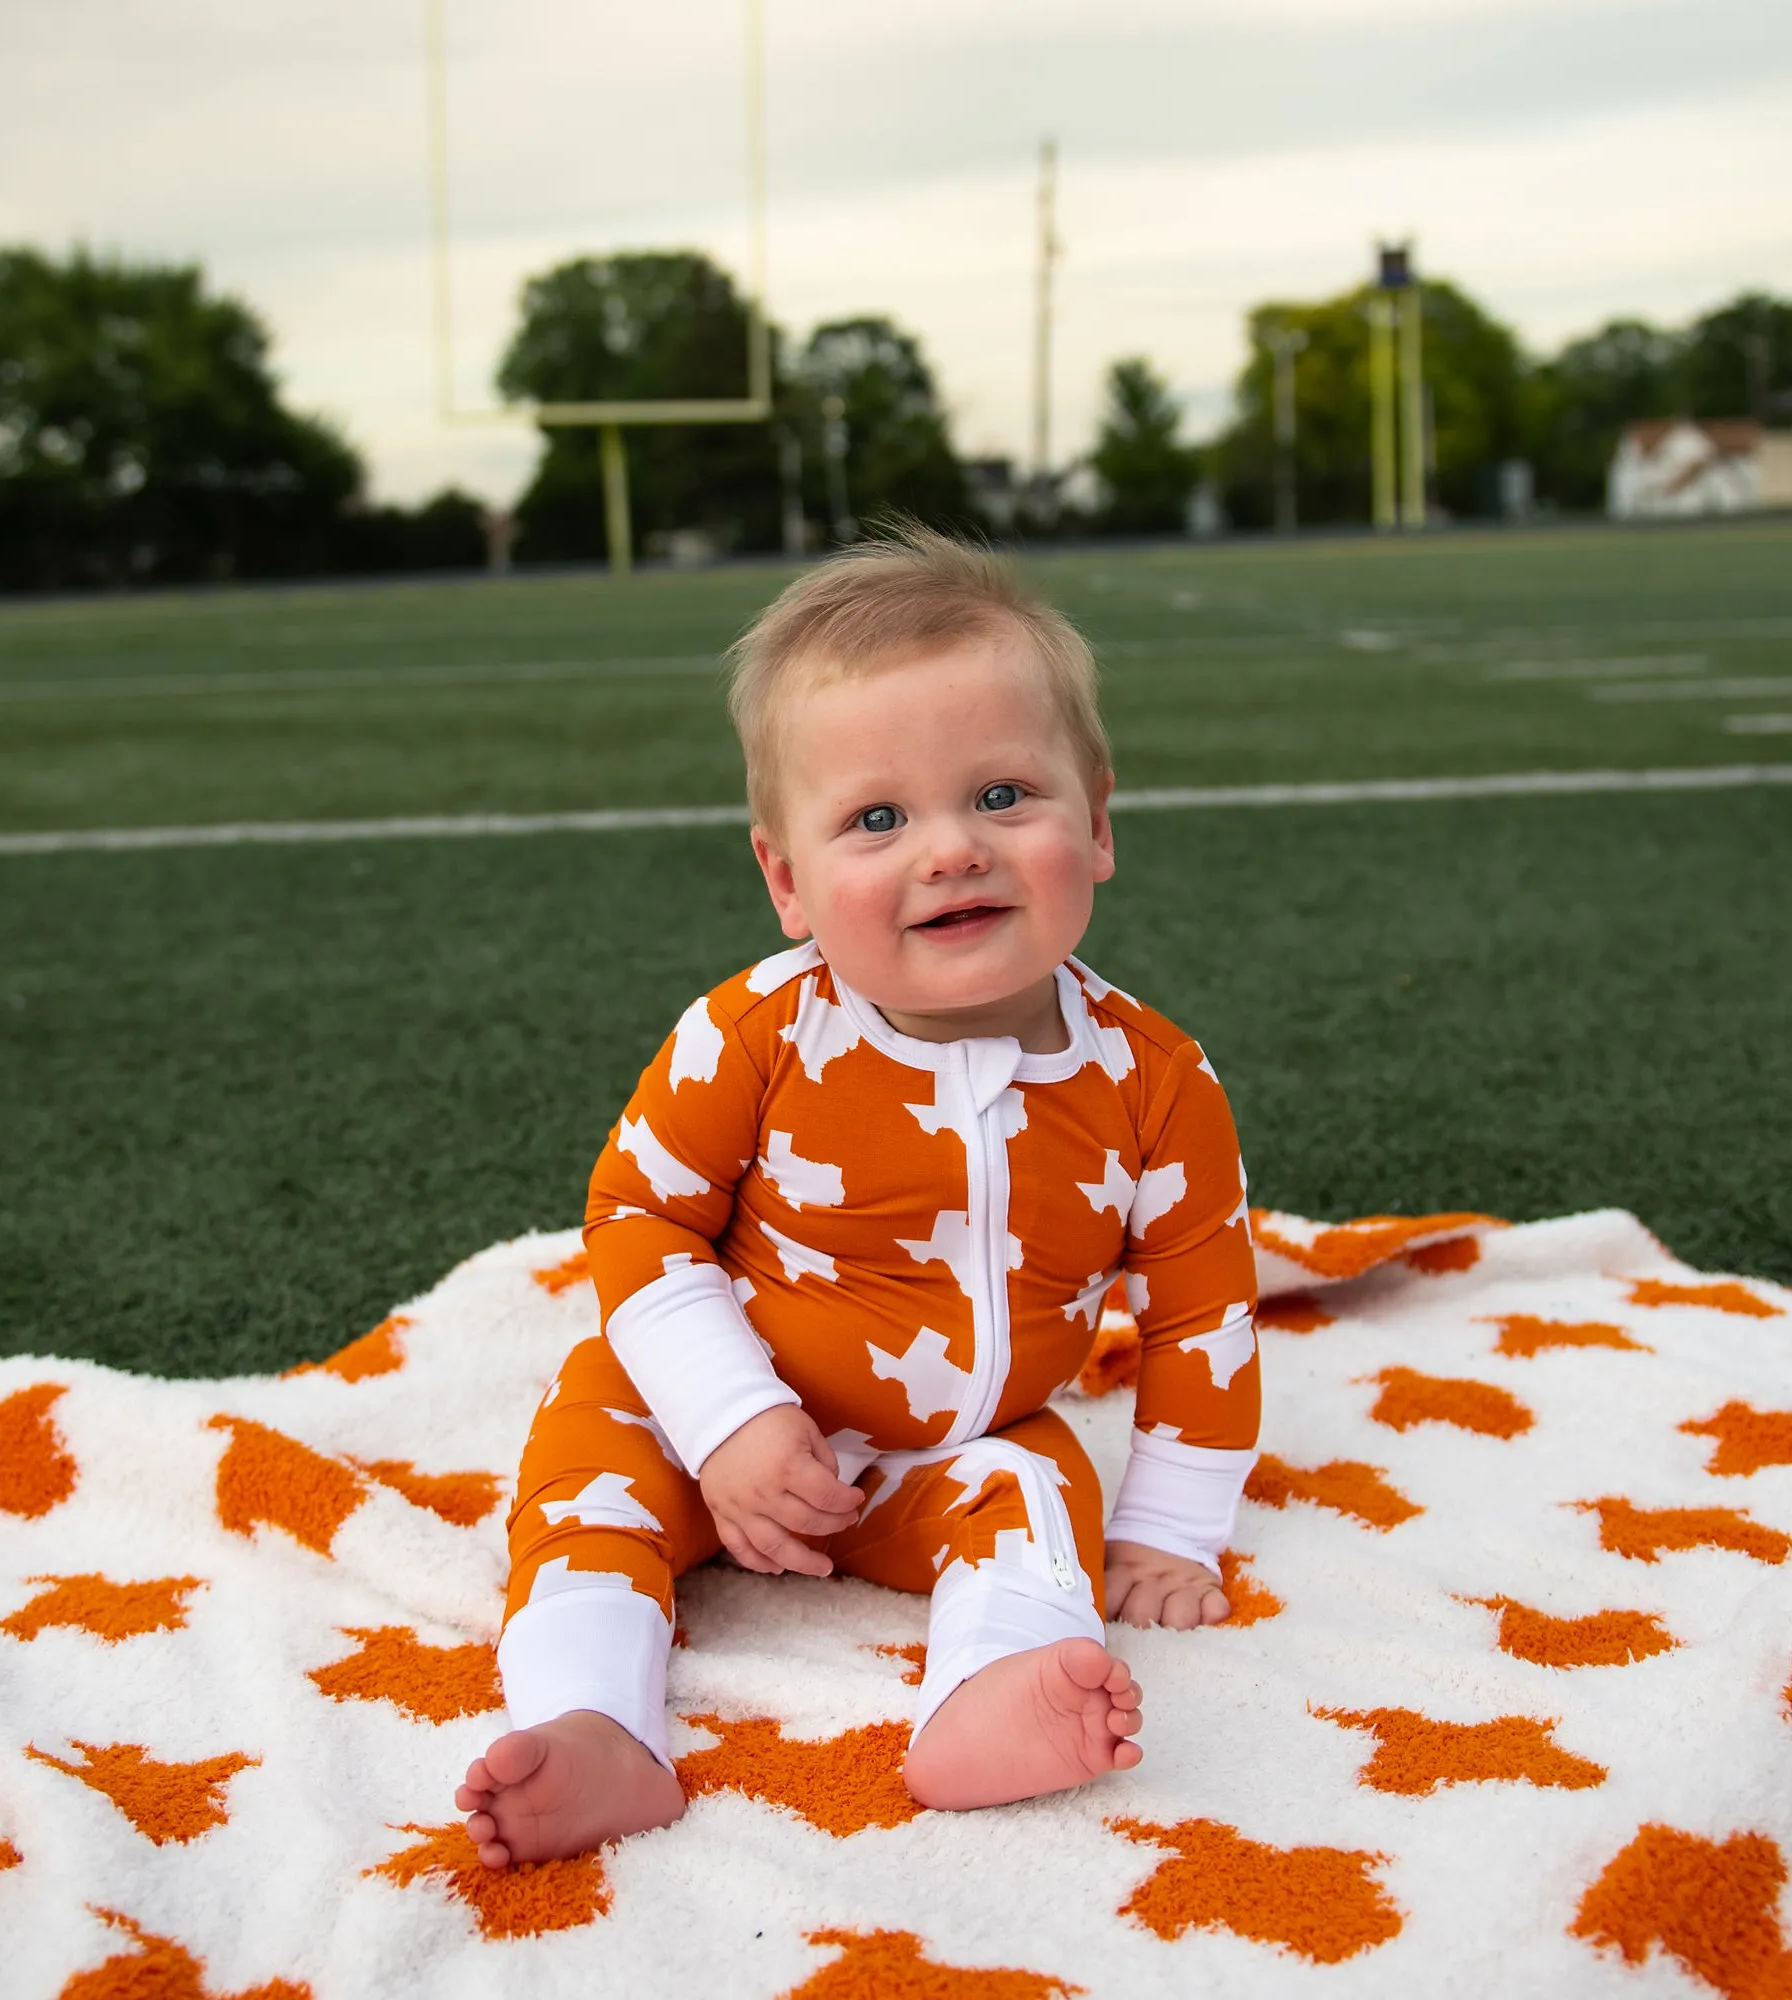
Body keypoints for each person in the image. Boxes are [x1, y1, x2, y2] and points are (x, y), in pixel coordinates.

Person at [456, 527, 1261, 1867]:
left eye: (1004, 795)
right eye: (879, 820)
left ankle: (996, 1693)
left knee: (1035, 1490)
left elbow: (1203, 1308)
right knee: (586, 1464)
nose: (951, 851)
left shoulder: (1154, 1081)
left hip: (954, 1446)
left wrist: (1172, 1533)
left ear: (1099, 823)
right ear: (786, 881)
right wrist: (727, 1418)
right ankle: (594, 1722)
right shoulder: (752, 1035)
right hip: (717, 1429)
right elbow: (641, 1219)